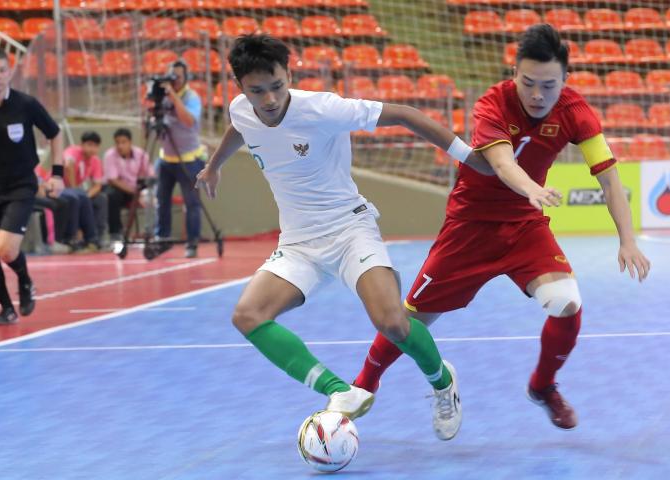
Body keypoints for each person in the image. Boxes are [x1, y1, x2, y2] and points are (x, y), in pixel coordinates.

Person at [352, 24, 651, 430]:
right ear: (514, 72)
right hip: (470, 226)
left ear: (565, 80)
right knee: (408, 323)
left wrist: (627, 241)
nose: (537, 95)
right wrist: (531, 188)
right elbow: (502, 163)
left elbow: (610, 177)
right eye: (528, 82)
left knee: (566, 303)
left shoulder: (576, 111)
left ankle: (543, 386)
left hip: (524, 226)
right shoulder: (492, 104)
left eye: (549, 85)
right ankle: (362, 386)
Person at [195, 34, 471, 440]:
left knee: (393, 322)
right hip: (298, 244)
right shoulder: (242, 109)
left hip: (348, 230)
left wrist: (467, 156)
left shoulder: (322, 108)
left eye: (276, 86)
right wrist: (215, 165)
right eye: (257, 91)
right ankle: (339, 391)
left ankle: (442, 381)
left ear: (289, 74)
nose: (269, 99)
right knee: (247, 316)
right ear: (240, 88)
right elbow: (240, 127)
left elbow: (407, 114)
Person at [0, 49, 64, 324]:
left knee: (5, 250)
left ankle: (25, 280)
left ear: (9, 72)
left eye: (1, 70)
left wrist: (57, 174)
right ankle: (7, 308)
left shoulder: (25, 105)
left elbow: (55, 133)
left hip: (20, 187)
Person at [154, 60, 205, 258]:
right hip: (166, 158)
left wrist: (173, 96)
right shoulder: (163, 97)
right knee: (161, 201)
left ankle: (192, 243)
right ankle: (162, 238)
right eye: (171, 76)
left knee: (191, 203)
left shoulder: (192, 97)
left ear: (185, 78)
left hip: (189, 159)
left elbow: (188, 120)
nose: (174, 81)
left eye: (178, 77)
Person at [102, 128, 153, 241]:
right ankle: (115, 233)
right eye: (117, 143)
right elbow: (113, 180)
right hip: (118, 188)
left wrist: (143, 191)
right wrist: (134, 192)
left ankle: (151, 232)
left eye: (123, 142)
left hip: (137, 188)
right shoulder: (110, 155)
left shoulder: (141, 154)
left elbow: (150, 174)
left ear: (130, 142)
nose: (120, 146)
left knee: (152, 196)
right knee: (112, 195)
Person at [61, 130, 107, 250]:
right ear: (82, 144)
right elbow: (68, 166)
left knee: (101, 199)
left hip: (78, 192)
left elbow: (97, 185)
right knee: (77, 197)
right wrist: (75, 189)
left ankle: (96, 237)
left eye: (95, 146)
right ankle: (77, 238)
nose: (92, 148)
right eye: (89, 144)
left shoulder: (95, 160)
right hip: (60, 188)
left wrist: (87, 196)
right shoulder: (73, 151)